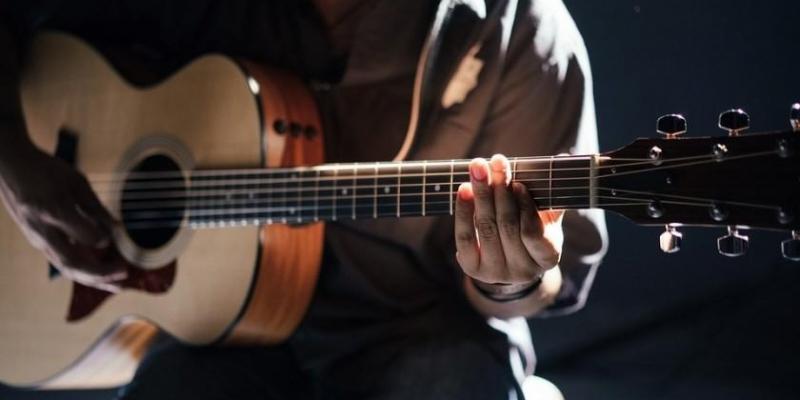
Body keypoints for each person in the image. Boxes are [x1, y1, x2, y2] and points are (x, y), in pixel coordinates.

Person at [0, 0, 607, 398]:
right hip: (221, 333)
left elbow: (546, 280)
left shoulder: (522, 31)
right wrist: (16, 163)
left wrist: (510, 277)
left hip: (419, 331)